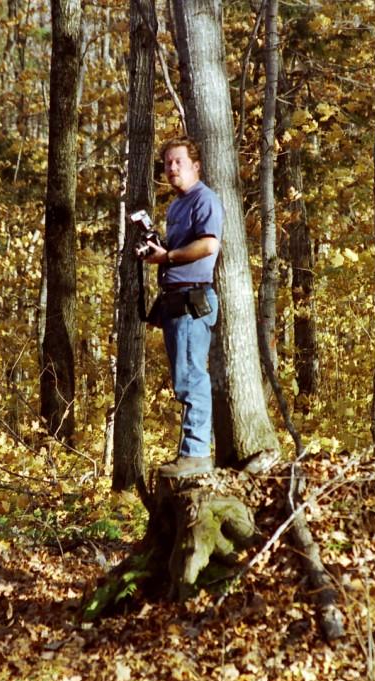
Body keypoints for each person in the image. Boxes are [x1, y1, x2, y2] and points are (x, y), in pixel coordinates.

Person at [143, 137, 224, 478]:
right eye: (167, 163)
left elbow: (208, 244)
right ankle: (191, 452)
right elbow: (175, 249)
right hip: (174, 301)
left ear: (196, 165)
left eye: (178, 161)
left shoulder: (204, 199)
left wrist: (170, 256)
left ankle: (195, 455)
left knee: (192, 379)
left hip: (194, 300)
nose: (172, 168)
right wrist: (155, 251)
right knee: (183, 380)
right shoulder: (176, 206)